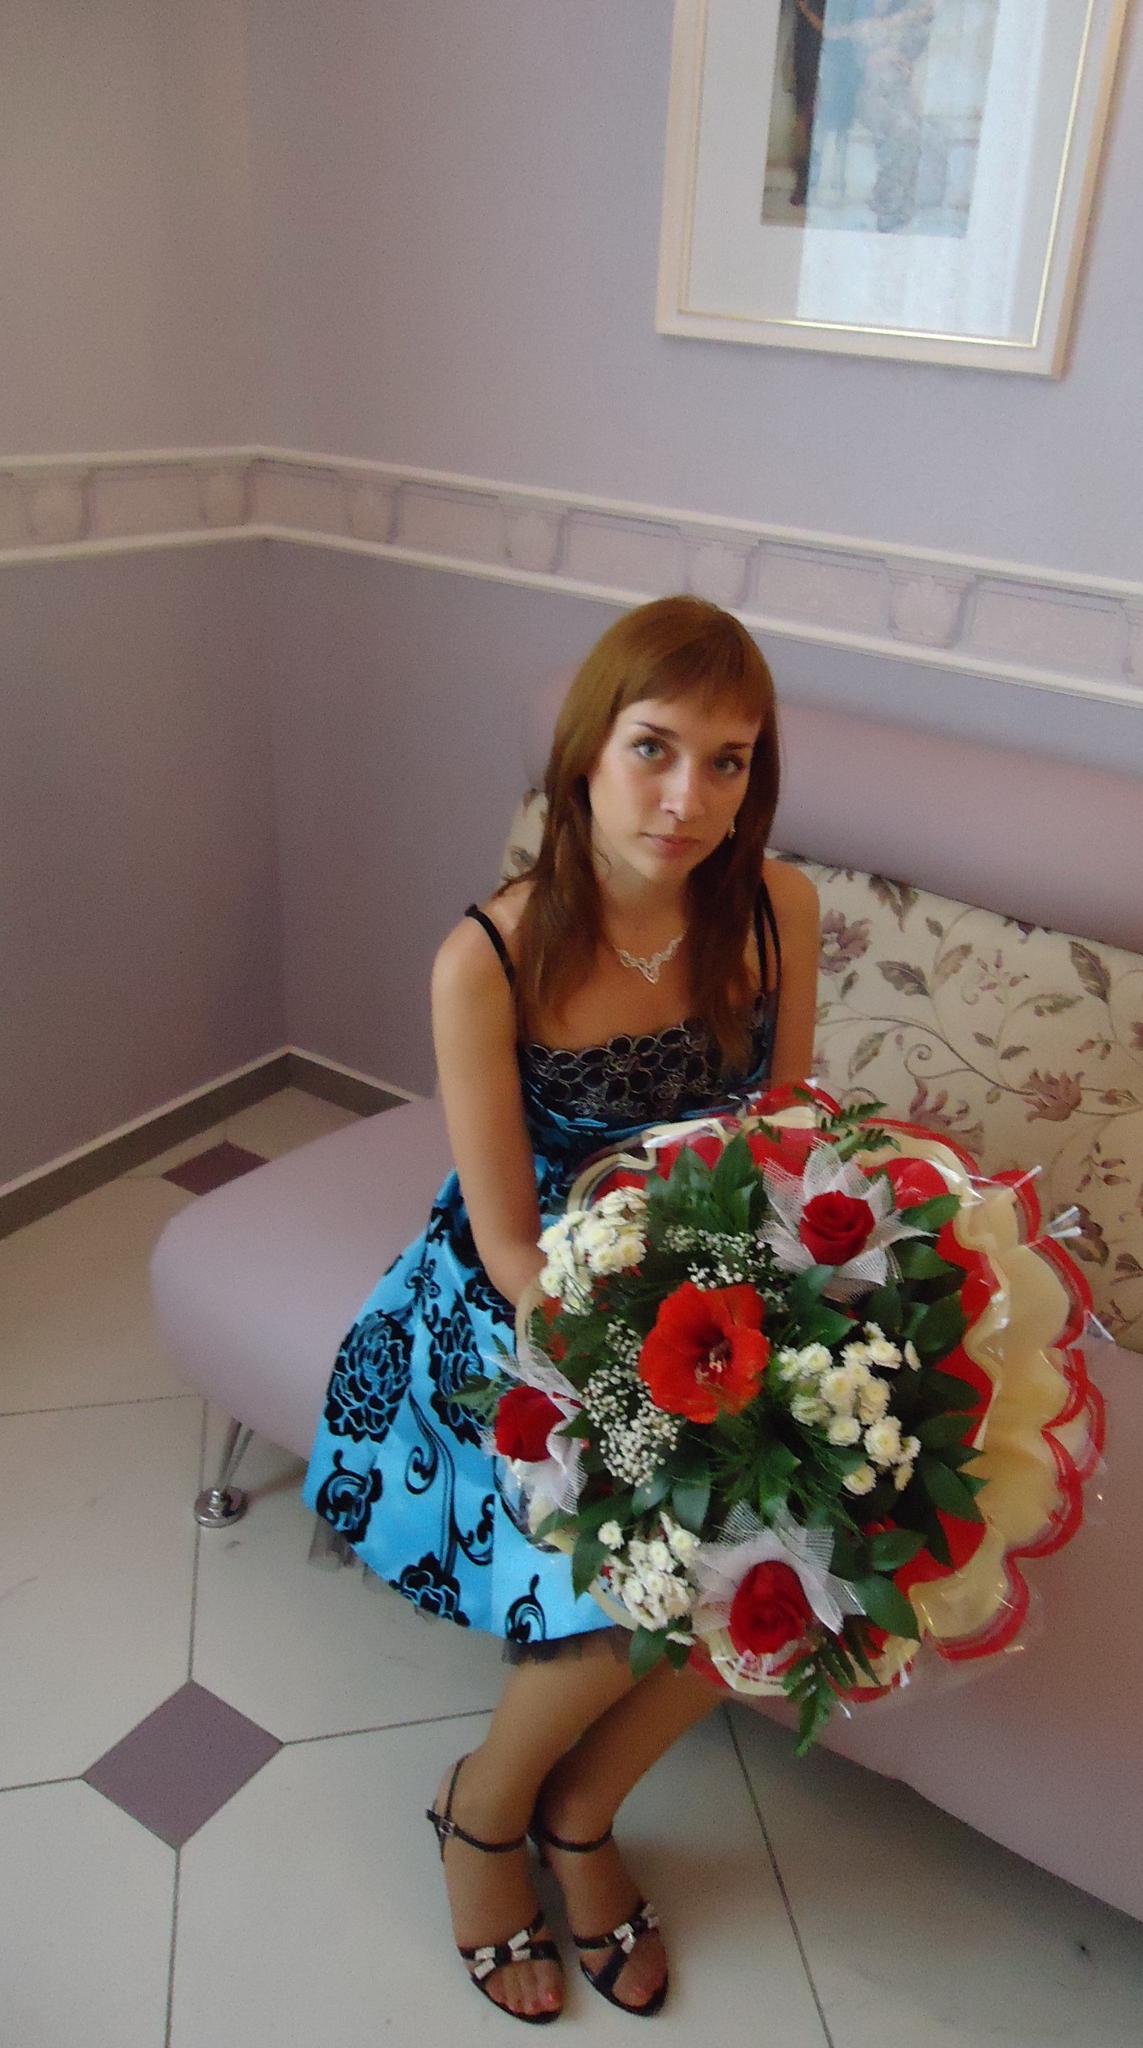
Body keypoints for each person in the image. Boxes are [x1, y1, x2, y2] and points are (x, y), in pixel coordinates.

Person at [302, 596, 820, 2023]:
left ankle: (580, 1811)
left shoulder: (778, 910)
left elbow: (778, 1147)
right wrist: (649, 1372)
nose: (687, 797)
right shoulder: (488, 955)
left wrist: (786, 1321)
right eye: (655, 748)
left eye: (728, 761)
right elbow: (505, 1239)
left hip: (713, 1278)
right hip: (533, 1301)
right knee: (653, 1537)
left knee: (812, 1536)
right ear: (587, 751)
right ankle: (482, 1813)